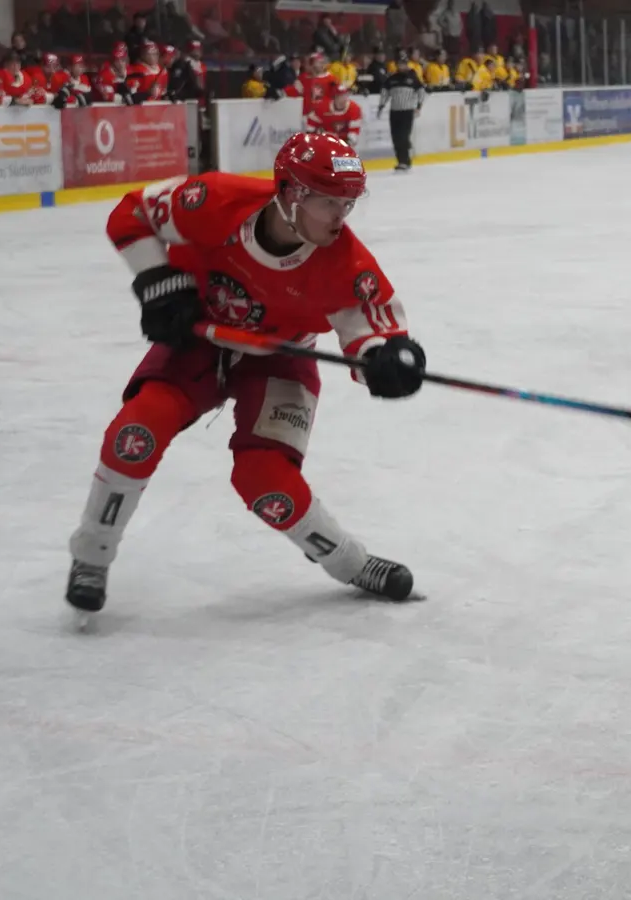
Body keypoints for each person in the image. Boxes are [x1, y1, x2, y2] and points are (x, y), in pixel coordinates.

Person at [65, 132, 427, 617]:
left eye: (348, 204)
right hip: (200, 341)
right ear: (291, 193)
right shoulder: (216, 201)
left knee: (264, 481)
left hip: (282, 357)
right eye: (328, 203)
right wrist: (155, 281)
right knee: (137, 429)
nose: (341, 218)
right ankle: (92, 554)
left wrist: (388, 361)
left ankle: (351, 564)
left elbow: (371, 330)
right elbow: (131, 214)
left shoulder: (346, 263)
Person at [379, 49, 425, 171]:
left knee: (403, 136)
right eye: (399, 64)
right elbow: (385, 92)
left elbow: (421, 91)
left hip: (407, 111)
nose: (401, 66)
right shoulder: (392, 78)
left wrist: (418, 106)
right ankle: (401, 160)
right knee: (395, 137)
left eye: (403, 64)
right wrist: (381, 105)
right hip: (394, 111)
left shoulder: (412, 77)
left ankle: (405, 160)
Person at [306, 82, 363, 147]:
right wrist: (312, 141)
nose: (344, 98)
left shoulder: (354, 109)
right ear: (335, 97)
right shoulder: (321, 107)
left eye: (346, 95)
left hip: (344, 144)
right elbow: (310, 128)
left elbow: (353, 134)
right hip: (324, 143)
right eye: (340, 96)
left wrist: (345, 146)